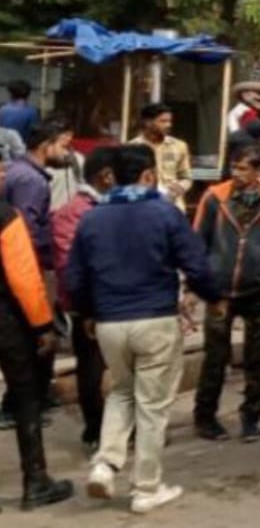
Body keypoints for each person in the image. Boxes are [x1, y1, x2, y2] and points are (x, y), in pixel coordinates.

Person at [67, 144, 219, 515]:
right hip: (154, 319)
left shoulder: (91, 219)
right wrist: (214, 295)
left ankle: (105, 464)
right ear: (149, 175)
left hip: (109, 323)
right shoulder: (164, 213)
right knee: (152, 406)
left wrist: (87, 313)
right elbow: (195, 263)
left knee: (121, 391)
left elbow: (75, 277)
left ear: (111, 176)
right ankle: (146, 487)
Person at [191, 147, 260, 444]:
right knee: (215, 357)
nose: (237, 174)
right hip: (219, 291)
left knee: (258, 358)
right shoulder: (214, 197)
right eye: (234, 167)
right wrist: (196, 287)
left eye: (243, 169)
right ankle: (205, 417)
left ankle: (251, 417)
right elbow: (197, 244)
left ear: (258, 171)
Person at [0, 202, 73, 511]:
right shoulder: (4, 214)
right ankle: (36, 481)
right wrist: (43, 324)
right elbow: (23, 275)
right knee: (25, 397)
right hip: (7, 321)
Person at [1, 119, 75, 426]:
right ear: (47, 145)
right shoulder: (32, 181)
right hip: (30, 269)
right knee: (40, 336)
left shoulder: (19, 173)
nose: (67, 153)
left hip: (24, 267)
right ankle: (19, 406)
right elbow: (26, 233)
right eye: (64, 146)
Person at [51, 146, 117, 457]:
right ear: (106, 177)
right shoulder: (74, 213)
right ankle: (95, 429)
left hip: (115, 304)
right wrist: (88, 307)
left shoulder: (107, 207)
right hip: (91, 307)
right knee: (91, 372)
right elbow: (69, 267)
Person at [130, 103, 191, 210]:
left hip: (173, 206)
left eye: (170, 121)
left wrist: (179, 188)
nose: (169, 125)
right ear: (148, 122)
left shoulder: (179, 146)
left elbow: (186, 177)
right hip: (142, 207)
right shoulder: (132, 147)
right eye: (163, 121)